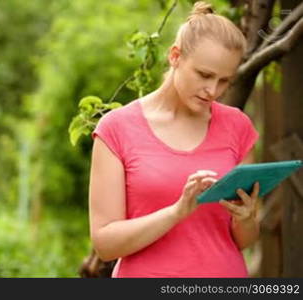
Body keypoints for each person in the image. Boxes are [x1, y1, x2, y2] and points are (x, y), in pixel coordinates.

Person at [88, 1, 260, 278]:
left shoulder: (238, 126)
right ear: (175, 56)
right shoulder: (117, 128)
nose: (213, 90)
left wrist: (247, 219)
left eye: (224, 80)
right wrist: (177, 212)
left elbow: (244, 240)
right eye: (204, 75)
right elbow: (106, 244)